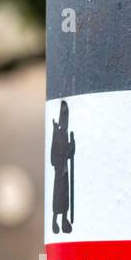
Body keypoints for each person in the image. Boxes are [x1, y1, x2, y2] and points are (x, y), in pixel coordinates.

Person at [50, 100, 74, 234]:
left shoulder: (64, 133)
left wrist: (72, 146)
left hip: (64, 171)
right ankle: (54, 221)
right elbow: (54, 152)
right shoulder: (58, 133)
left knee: (64, 199)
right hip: (59, 171)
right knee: (58, 196)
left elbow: (69, 153)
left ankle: (64, 220)